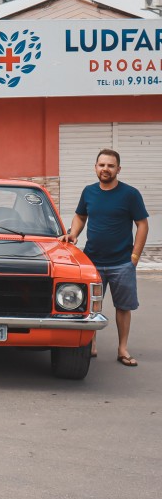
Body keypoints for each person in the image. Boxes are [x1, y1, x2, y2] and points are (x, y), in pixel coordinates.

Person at [63, 148, 149, 366]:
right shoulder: (89, 192)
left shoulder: (130, 194)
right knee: (91, 307)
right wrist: (73, 233)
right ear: (95, 167)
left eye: (110, 166)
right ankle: (91, 343)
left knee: (123, 307)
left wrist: (135, 256)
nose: (105, 169)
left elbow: (142, 224)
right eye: (102, 165)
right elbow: (81, 216)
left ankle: (122, 349)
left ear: (118, 169)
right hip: (92, 261)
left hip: (122, 263)